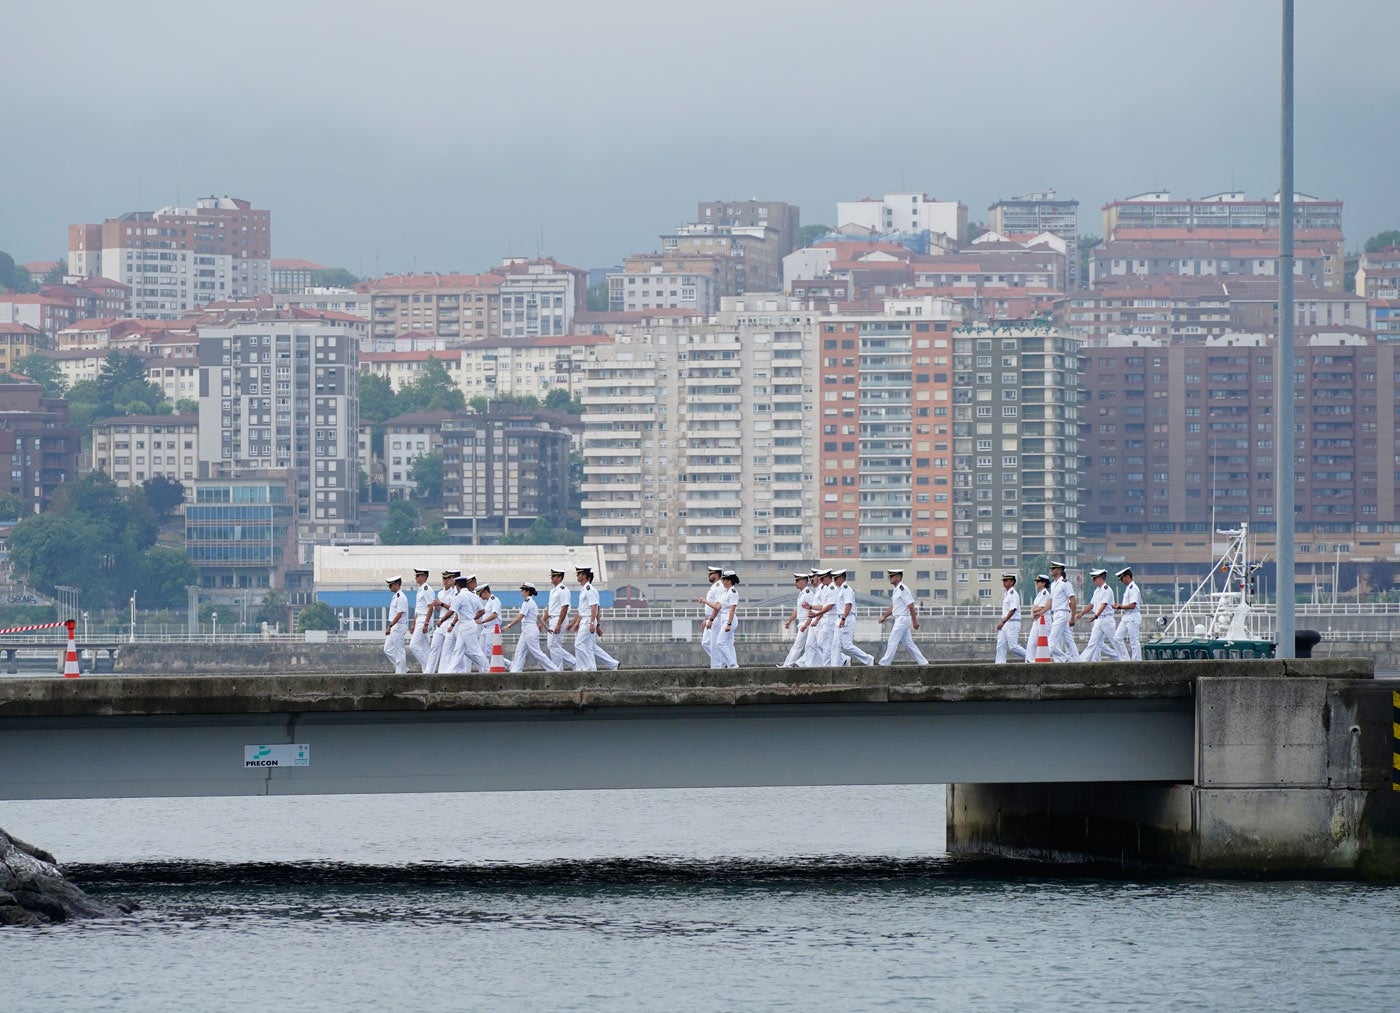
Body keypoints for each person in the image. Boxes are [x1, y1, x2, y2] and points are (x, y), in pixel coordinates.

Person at [505, 582, 560, 672]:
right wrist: (547, 628)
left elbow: (520, 617)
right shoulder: (532, 602)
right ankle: (515, 671)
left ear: (527, 591)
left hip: (529, 630)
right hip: (527, 630)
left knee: (537, 653)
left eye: (523, 590)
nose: (521, 591)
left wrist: (508, 625)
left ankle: (554, 670)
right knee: (519, 652)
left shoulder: (527, 602)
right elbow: (539, 617)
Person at [877, 568, 926, 666]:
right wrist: (884, 616)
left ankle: (884, 664)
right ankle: (923, 663)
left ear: (898, 577)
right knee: (909, 644)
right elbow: (894, 607)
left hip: (902, 619)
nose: (889, 578)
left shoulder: (902, 589)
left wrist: (915, 621)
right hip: (900, 619)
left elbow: (910, 605)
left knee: (892, 641)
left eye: (892, 576)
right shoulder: (896, 589)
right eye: (889, 576)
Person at [1077, 568, 1123, 662]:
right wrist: (1082, 613)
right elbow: (1092, 604)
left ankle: (1124, 659)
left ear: (1101, 578)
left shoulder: (1107, 590)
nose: (1093, 581)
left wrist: (1096, 615)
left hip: (1106, 620)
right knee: (1093, 643)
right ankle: (1082, 661)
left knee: (1115, 642)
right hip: (1098, 620)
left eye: (1095, 578)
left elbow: (1104, 604)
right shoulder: (1097, 590)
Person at [832, 569, 874, 666]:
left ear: (842, 578)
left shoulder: (846, 589)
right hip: (841, 619)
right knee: (835, 644)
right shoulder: (841, 590)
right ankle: (835, 666)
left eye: (836, 578)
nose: (834, 581)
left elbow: (848, 605)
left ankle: (868, 659)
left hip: (846, 619)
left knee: (847, 645)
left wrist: (843, 619)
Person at [423, 570, 459, 673]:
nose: (445, 581)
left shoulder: (455, 593)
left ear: (452, 579)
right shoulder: (440, 592)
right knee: (434, 647)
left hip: (449, 621)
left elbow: (453, 609)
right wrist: (437, 605)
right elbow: (440, 609)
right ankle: (428, 672)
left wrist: (441, 604)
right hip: (441, 621)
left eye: (448, 578)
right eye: (444, 579)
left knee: (446, 650)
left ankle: (443, 672)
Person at [801, 569, 835, 667]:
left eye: (815, 577)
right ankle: (810, 665)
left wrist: (816, 618)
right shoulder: (820, 589)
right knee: (812, 645)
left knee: (822, 644)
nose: (813, 579)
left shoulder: (826, 589)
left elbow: (826, 607)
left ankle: (840, 659)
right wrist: (811, 607)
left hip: (823, 620)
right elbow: (821, 606)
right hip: (817, 620)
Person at [545, 566, 576, 670]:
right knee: (554, 645)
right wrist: (543, 621)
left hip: (559, 619)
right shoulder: (553, 591)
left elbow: (564, 608)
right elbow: (550, 608)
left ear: (559, 577)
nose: (552, 578)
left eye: (554, 576)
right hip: (553, 619)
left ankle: (558, 670)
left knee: (553, 645)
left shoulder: (563, 590)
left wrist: (558, 624)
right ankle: (574, 663)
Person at [780, 572, 813, 667]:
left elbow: (812, 610)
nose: (795, 583)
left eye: (797, 580)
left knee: (798, 645)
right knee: (815, 646)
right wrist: (789, 620)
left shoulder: (808, 594)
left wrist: (806, 624)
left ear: (803, 581)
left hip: (806, 622)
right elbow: (798, 610)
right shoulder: (802, 594)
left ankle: (787, 665)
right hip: (802, 622)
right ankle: (843, 659)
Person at [1048, 561, 1078, 663]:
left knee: (1051, 643)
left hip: (1062, 614)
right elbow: (1051, 602)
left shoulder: (1065, 583)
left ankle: (1065, 659)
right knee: (1069, 641)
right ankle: (1076, 661)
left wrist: (1072, 617)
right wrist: (1041, 611)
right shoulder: (1053, 584)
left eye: (1054, 568)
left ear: (1060, 570)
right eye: (1051, 568)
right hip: (1055, 614)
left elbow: (1073, 600)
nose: (1051, 570)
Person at [1112, 566, 1143, 661]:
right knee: (1117, 638)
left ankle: (1136, 661)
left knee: (1134, 641)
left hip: (1133, 617)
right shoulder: (1128, 588)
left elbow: (1132, 605)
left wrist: (1120, 606)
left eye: (1122, 578)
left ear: (1127, 577)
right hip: (1126, 617)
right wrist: (1120, 606)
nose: (1121, 581)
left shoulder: (1133, 588)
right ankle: (1125, 660)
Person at [572, 566, 600, 671]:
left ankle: (589, 667)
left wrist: (592, 623)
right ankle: (588, 668)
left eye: (578, 574)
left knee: (578, 644)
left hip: (588, 620)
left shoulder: (589, 589)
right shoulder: (584, 589)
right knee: (588, 646)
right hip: (585, 619)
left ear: (584, 575)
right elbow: (582, 609)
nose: (577, 576)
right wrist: (577, 622)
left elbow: (594, 607)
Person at [994, 572, 1026, 663]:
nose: (1004, 582)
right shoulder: (1007, 594)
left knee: (1013, 646)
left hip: (1012, 622)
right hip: (1006, 622)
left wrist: (1003, 622)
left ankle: (1030, 658)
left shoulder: (1013, 594)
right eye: (1003, 580)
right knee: (1000, 645)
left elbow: (1013, 609)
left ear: (1012, 582)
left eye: (1006, 580)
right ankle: (999, 664)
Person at [696, 565, 724, 664]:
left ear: (716, 575)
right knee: (705, 643)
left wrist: (711, 619)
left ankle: (721, 663)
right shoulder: (714, 587)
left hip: (715, 619)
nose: (709, 576)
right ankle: (721, 661)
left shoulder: (719, 587)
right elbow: (710, 605)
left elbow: (717, 606)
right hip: (710, 618)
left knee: (715, 644)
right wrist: (706, 618)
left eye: (711, 574)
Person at [406, 568, 434, 671]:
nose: (415, 578)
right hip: (420, 619)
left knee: (413, 646)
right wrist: (413, 624)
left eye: (417, 576)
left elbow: (431, 607)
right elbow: (418, 609)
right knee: (424, 647)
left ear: (423, 577)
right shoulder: (420, 589)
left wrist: (426, 623)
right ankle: (426, 672)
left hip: (424, 619)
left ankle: (428, 667)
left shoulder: (427, 589)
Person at [712, 570, 740, 668]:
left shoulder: (733, 592)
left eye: (724, 580)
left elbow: (732, 610)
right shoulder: (725, 592)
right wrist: (706, 602)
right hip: (725, 620)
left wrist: (729, 623)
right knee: (729, 644)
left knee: (720, 642)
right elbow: (717, 606)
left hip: (729, 620)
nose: (723, 581)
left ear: (729, 581)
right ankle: (732, 664)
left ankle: (732, 663)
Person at [474, 583, 505, 669]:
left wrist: (482, 621)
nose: (480, 597)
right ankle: (484, 670)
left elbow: (495, 615)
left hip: (492, 629)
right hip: (486, 629)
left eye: (481, 594)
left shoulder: (494, 600)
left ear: (484, 592)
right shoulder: (488, 602)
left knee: (491, 652)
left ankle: (508, 664)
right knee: (480, 652)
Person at [1023, 574, 1052, 662]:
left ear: (1044, 583)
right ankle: (1030, 661)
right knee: (1031, 642)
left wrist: (1036, 609)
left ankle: (1062, 658)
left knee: (1048, 643)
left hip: (1044, 619)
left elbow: (1042, 607)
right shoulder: (1039, 594)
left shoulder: (1045, 594)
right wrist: (1035, 608)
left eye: (1039, 581)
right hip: (1037, 620)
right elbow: (1034, 607)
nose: (1037, 583)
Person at [382, 575, 408, 674]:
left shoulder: (401, 597)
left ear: (397, 585)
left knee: (399, 651)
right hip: (395, 626)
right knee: (387, 649)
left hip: (398, 626)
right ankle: (402, 667)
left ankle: (401, 672)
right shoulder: (396, 596)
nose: (390, 587)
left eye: (391, 585)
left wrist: (390, 626)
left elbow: (399, 614)